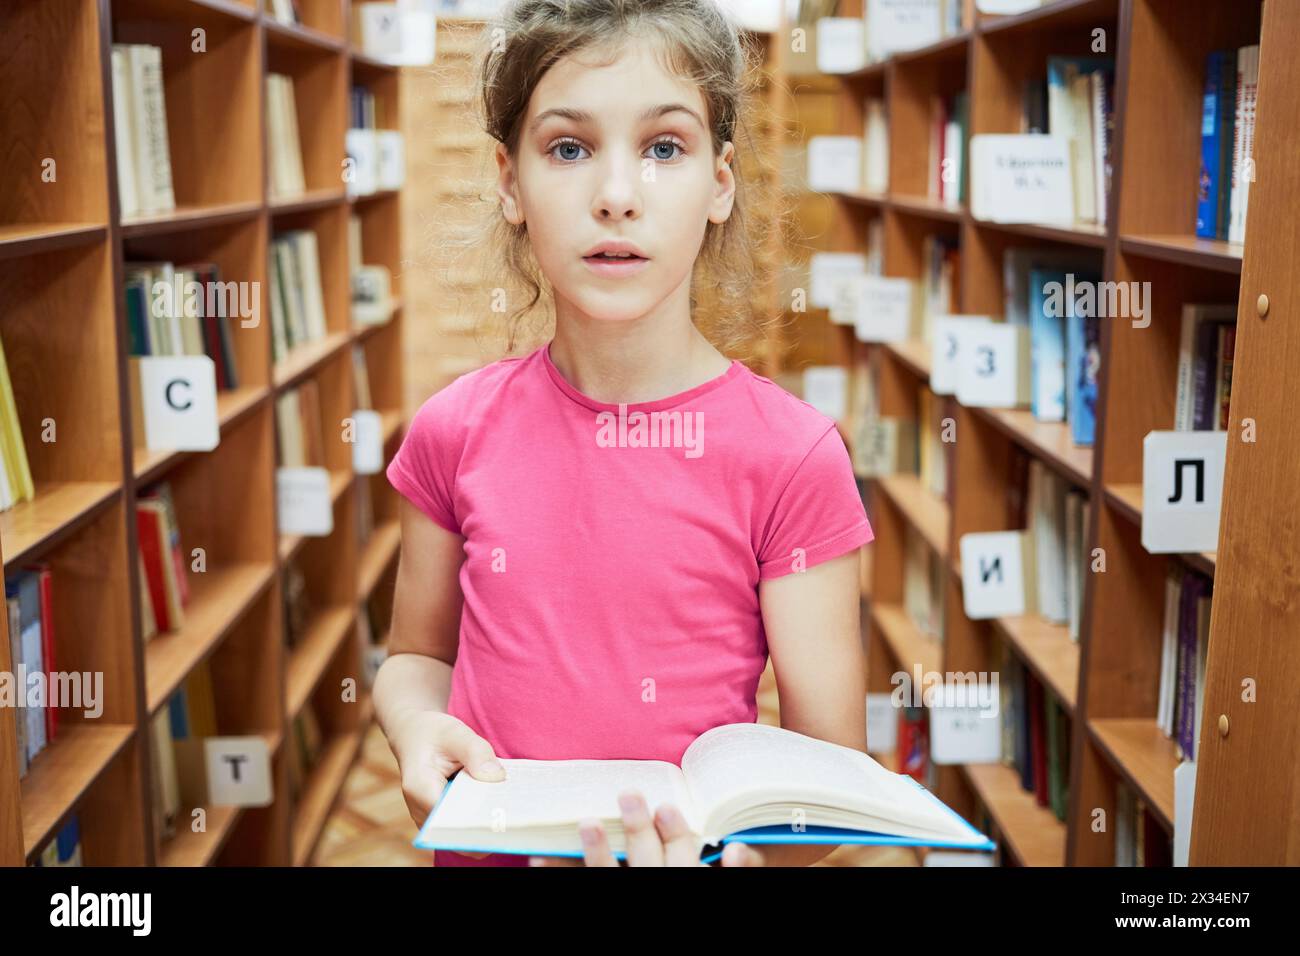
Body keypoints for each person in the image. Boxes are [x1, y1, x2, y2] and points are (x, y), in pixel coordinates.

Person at [374, 0, 874, 868]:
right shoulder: (452, 431)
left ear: (721, 184)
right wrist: (417, 727)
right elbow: (415, 654)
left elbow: (830, 777)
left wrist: (755, 864)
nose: (614, 197)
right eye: (568, 149)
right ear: (507, 180)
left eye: (664, 148)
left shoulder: (792, 458)